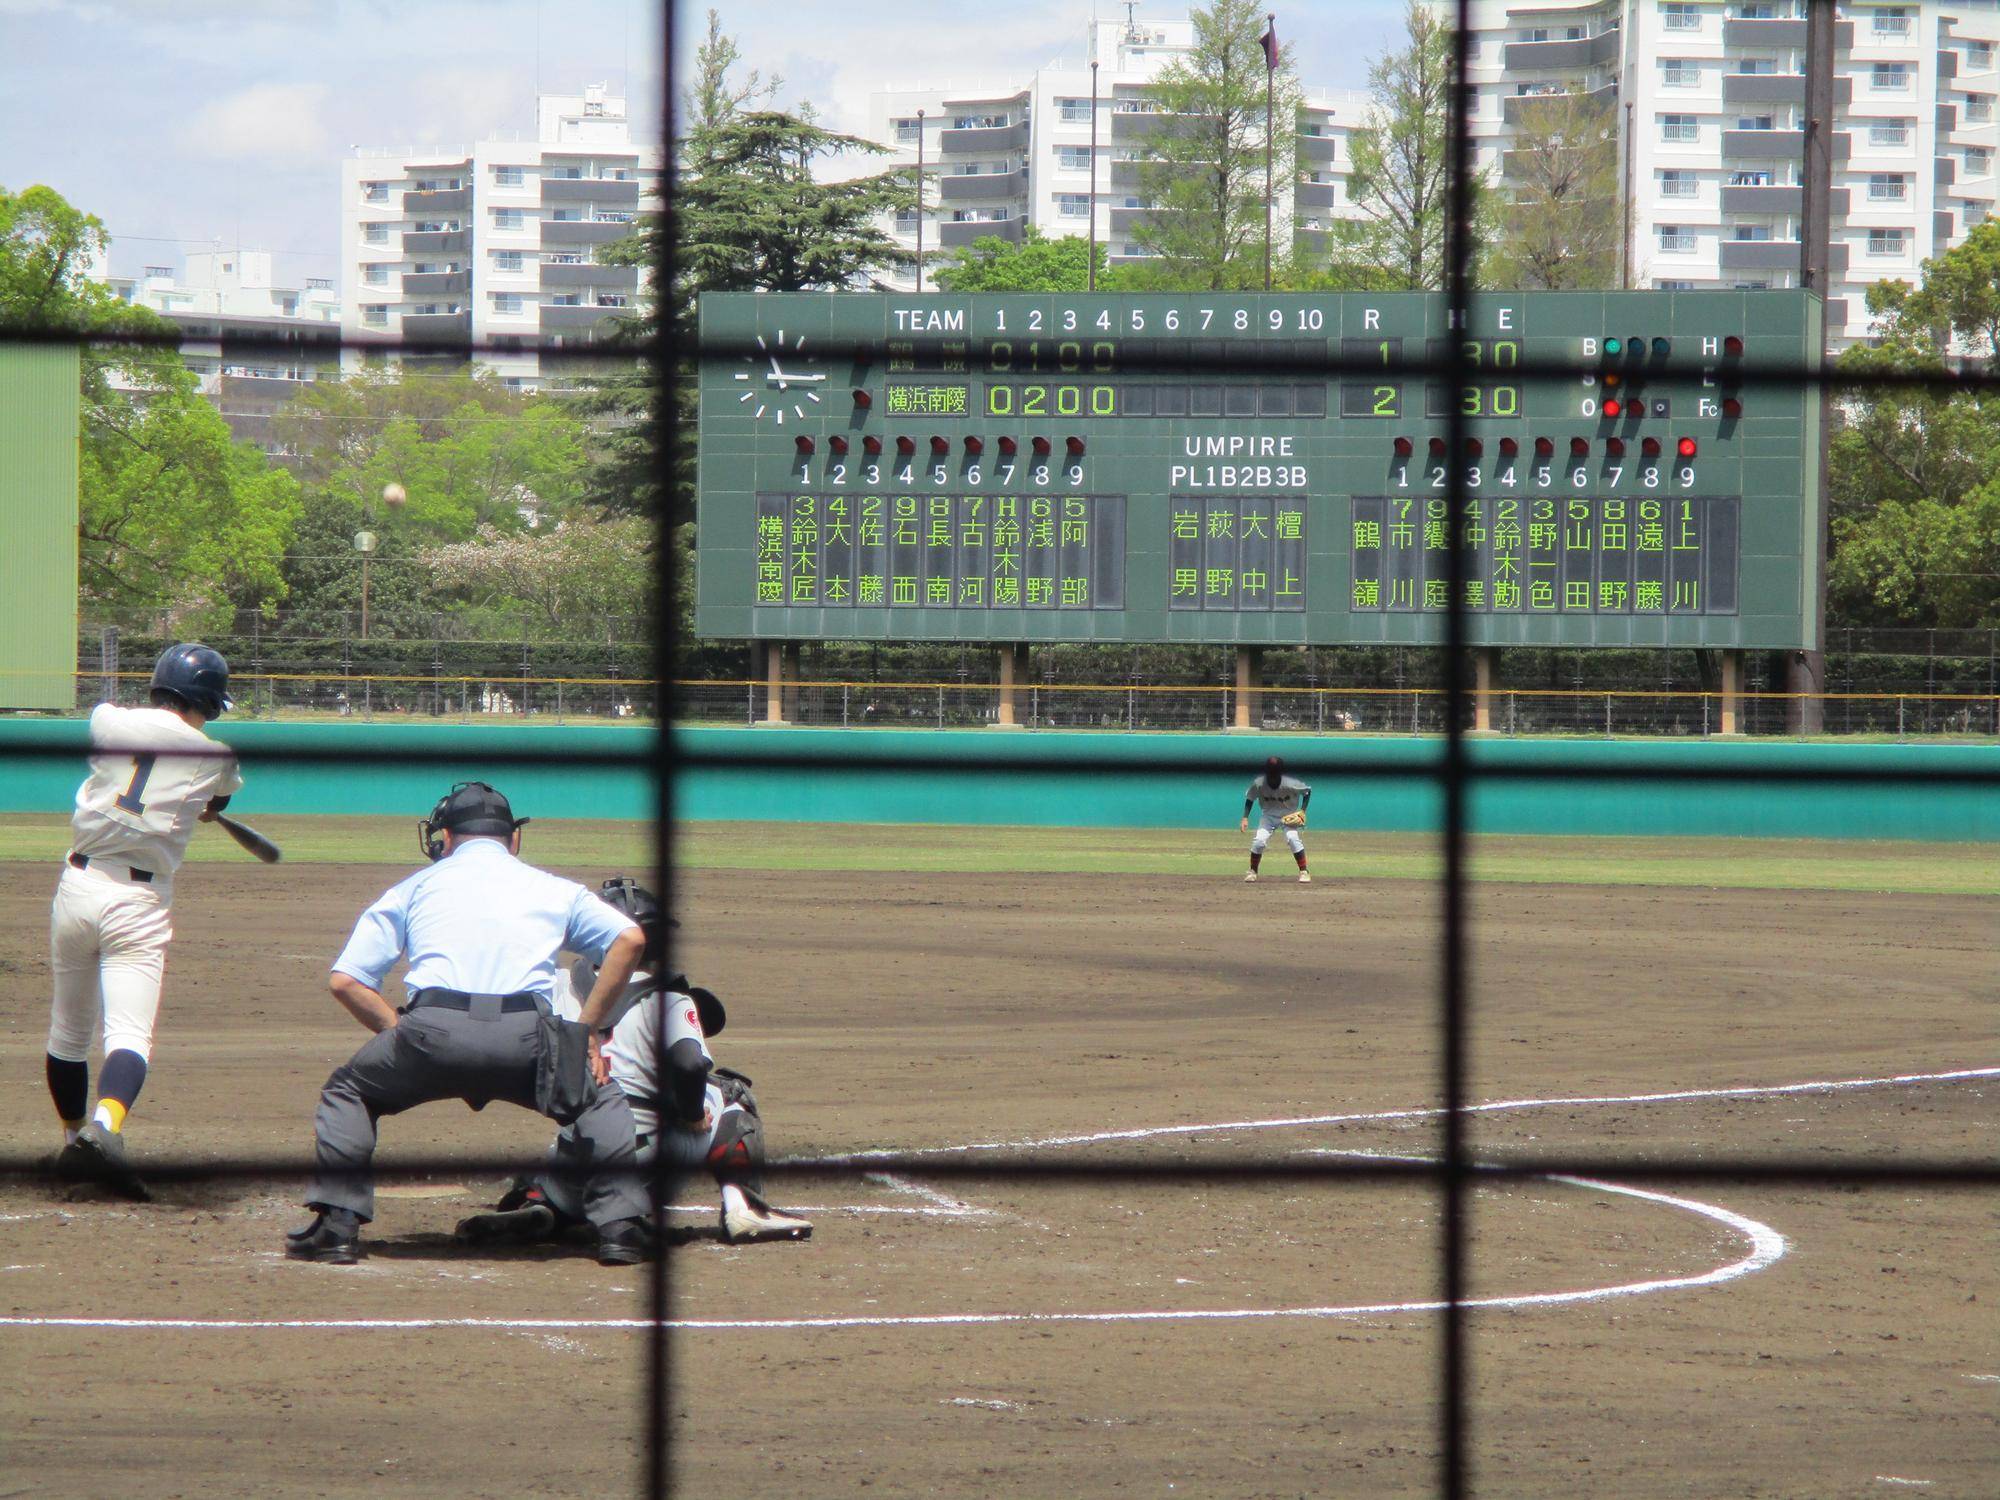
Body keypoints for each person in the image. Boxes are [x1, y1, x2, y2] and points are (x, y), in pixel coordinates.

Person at [285, 782, 652, 1267]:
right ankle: (620, 1229)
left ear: (447, 838)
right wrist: (584, 1031)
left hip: (432, 1029)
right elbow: (630, 938)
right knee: (598, 1099)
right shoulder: (553, 889)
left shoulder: (414, 888)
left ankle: (336, 1226)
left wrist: (400, 1034)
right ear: (512, 840)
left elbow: (345, 981)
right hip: (528, 1036)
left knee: (350, 1092)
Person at [455, 877, 813, 1249]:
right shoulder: (669, 999)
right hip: (645, 1166)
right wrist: (690, 1115)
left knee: (573, 1137)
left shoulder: (554, 987)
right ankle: (745, 1206)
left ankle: (543, 1202)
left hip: (574, 1157)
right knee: (730, 1093)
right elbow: (690, 1065)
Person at [48, 644, 242, 1198]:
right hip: (138, 902)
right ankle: (105, 1128)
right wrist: (203, 806)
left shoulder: (109, 720)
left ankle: (71, 1138)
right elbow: (217, 801)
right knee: (129, 1032)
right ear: (206, 699)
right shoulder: (216, 755)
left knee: (68, 1029)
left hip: (78, 885)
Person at [1240, 755, 1312, 883]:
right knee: (1259, 841)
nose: (1272, 775)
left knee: (1293, 838)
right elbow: (1250, 798)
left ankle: (1304, 871)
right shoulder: (1259, 783)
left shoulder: (1291, 783)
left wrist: (1302, 811)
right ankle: (1253, 871)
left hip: (1288, 815)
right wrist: (1245, 817)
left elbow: (1307, 792)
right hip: (1268, 815)